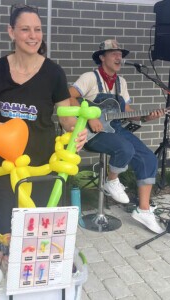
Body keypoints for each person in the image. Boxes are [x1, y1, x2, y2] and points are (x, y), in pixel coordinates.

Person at [0, 4, 87, 237]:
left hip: (43, 165)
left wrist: (78, 132)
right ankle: (4, 259)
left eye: (37, 29)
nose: (33, 36)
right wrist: (8, 130)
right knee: (4, 224)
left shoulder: (54, 72)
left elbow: (66, 119)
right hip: (5, 163)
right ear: (11, 32)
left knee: (39, 227)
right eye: (25, 29)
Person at [69, 39, 165, 234]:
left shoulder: (121, 83)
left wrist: (147, 117)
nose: (119, 56)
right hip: (92, 132)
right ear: (102, 57)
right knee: (125, 148)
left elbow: (127, 110)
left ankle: (143, 210)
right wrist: (89, 117)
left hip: (116, 130)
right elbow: (68, 96)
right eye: (113, 53)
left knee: (147, 157)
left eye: (120, 53)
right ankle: (111, 181)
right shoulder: (89, 77)